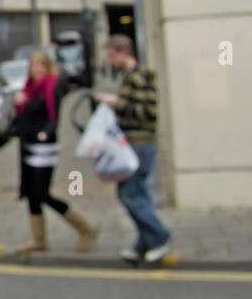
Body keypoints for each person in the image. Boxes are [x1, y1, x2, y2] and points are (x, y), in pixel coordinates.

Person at [92, 34, 172, 263]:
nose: (110, 61)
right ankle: (142, 245)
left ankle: (159, 237)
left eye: (111, 55)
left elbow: (148, 111)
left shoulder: (141, 76)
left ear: (123, 52)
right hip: (133, 143)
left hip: (140, 143)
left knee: (129, 193)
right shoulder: (130, 77)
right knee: (137, 193)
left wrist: (117, 103)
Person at [12, 50, 99, 254]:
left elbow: (53, 116)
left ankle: (86, 228)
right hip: (27, 145)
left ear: (48, 67)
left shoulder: (52, 87)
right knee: (31, 193)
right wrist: (19, 105)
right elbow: (22, 118)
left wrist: (45, 132)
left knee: (42, 193)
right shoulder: (29, 89)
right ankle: (38, 239)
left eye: (41, 65)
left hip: (44, 147)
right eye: (34, 66)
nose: (37, 70)